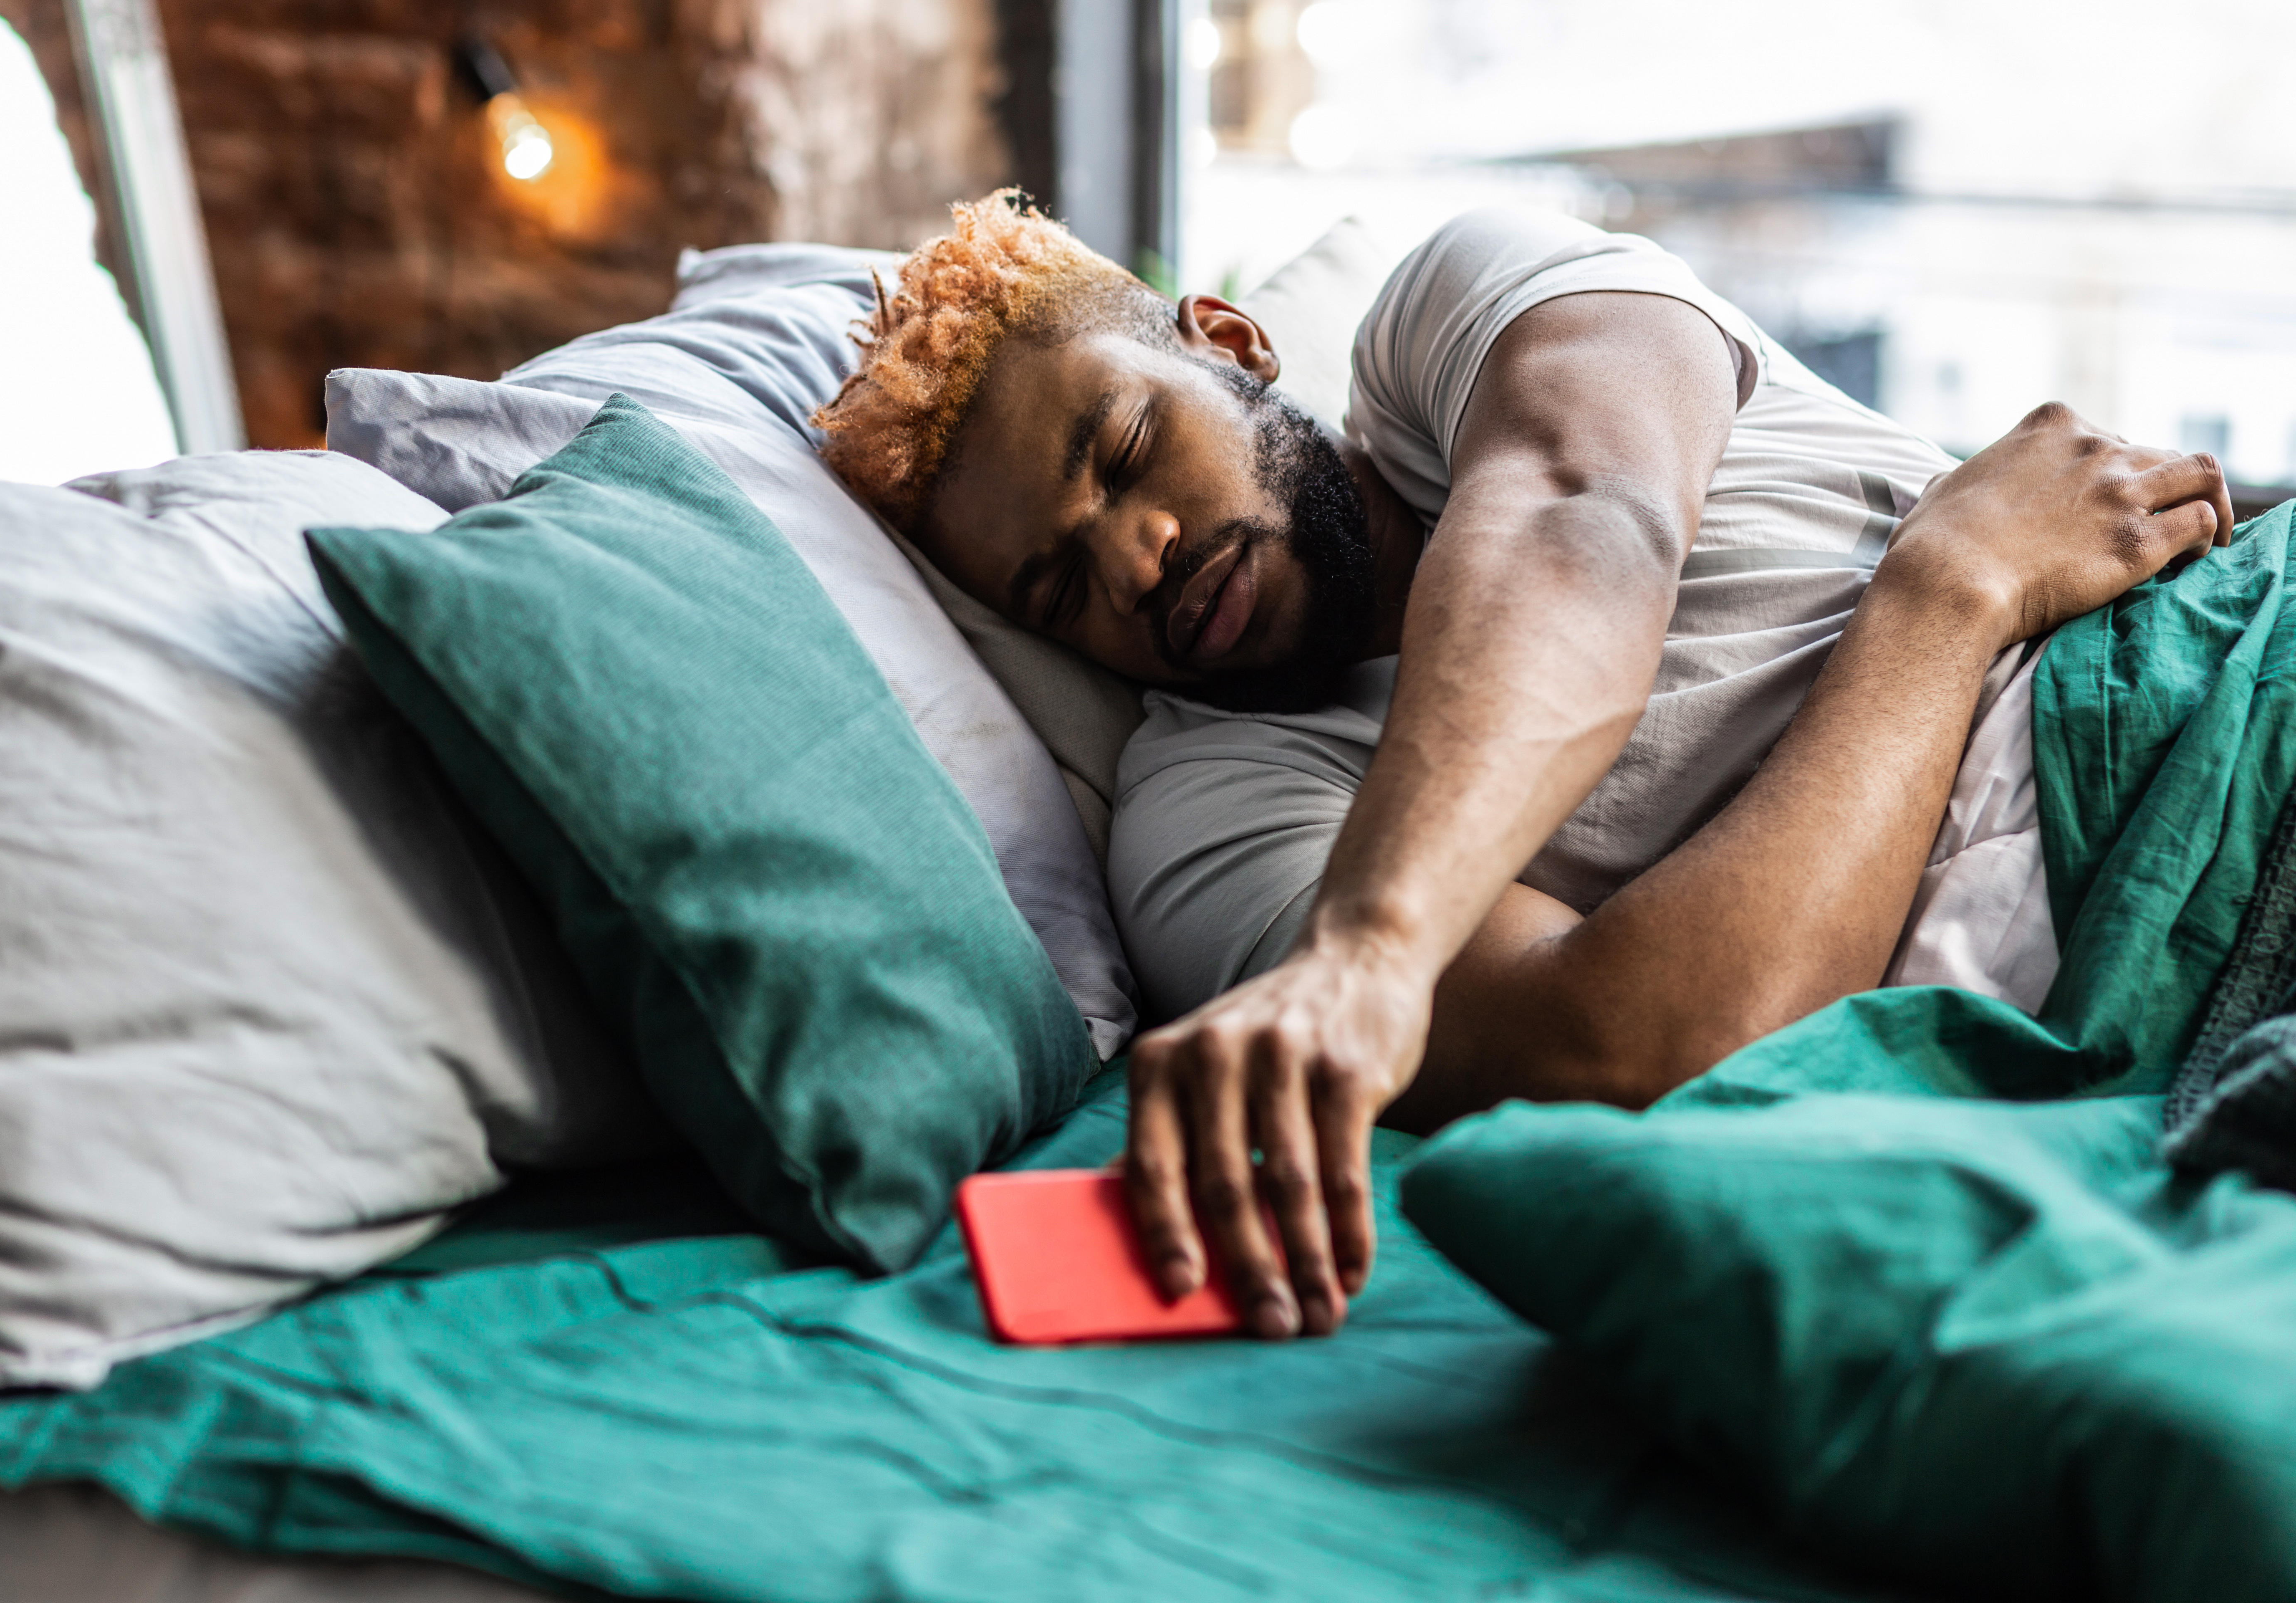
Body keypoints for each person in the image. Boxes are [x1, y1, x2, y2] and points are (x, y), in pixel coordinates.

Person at [813, 190, 2233, 1340]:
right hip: (2136, 949)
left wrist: (1374, 947)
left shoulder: (1467, 300)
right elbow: (1649, 1048)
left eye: (1129, 448)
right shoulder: (1208, 828)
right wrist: (1950, 591)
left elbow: (1584, 522)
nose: (1138, 558)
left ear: (1232, 344)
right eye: (1061, 590)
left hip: (2218, 671)